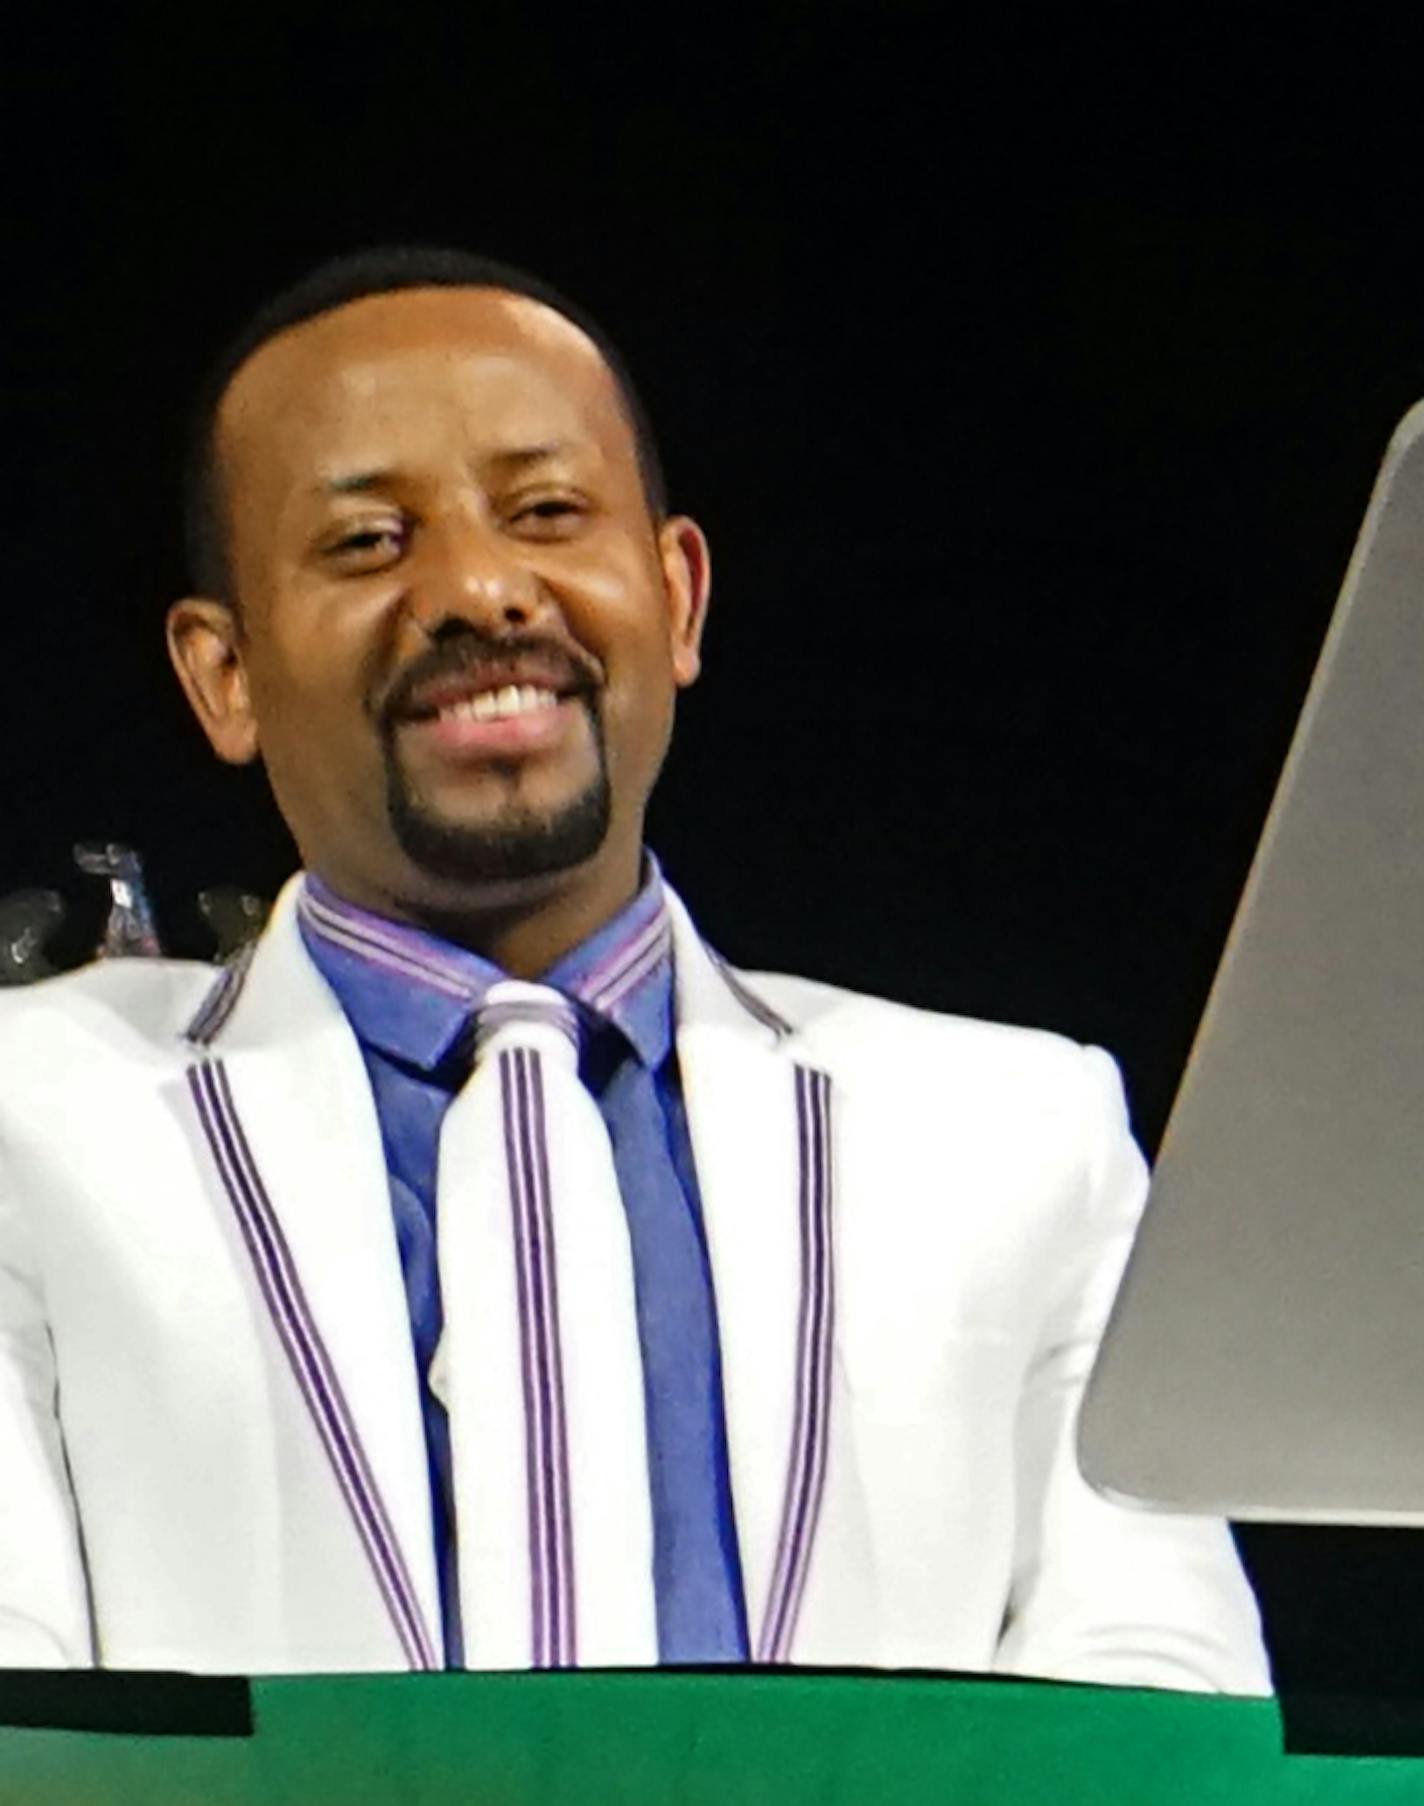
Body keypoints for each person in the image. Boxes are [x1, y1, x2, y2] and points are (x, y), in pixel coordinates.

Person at [0, 246, 1270, 1688]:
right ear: (223, 674)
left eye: (546, 511)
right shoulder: (34, 1120)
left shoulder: (1020, 1139)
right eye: (366, 543)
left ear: (676, 596)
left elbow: (1167, 1706)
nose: (480, 588)